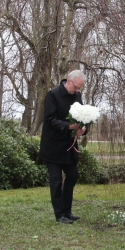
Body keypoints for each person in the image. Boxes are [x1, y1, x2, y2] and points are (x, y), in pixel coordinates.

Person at [39, 70, 87, 224]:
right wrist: (69, 126)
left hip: (70, 144)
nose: (78, 91)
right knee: (56, 180)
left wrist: (83, 128)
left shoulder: (77, 96)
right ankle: (59, 214)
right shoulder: (52, 95)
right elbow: (50, 120)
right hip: (53, 146)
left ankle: (67, 211)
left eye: (80, 88)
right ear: (68, 82)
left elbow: (82, 117)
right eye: (76, 87)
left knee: (72, 175)